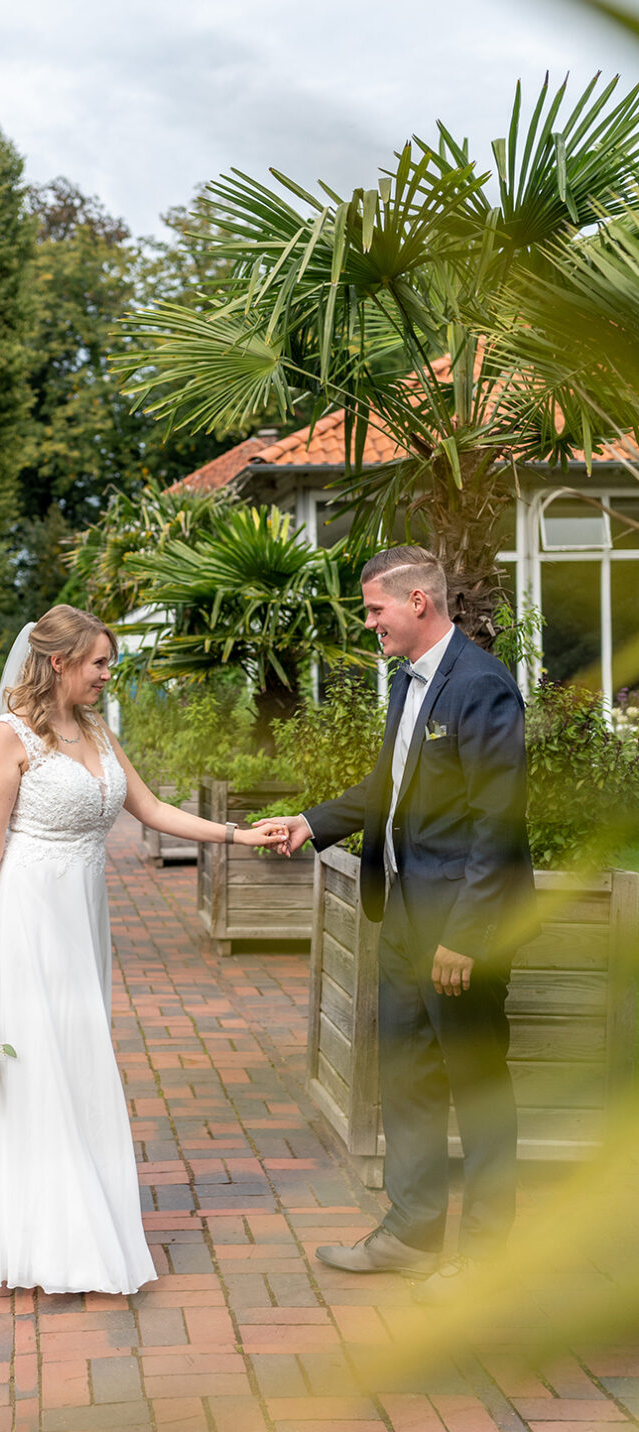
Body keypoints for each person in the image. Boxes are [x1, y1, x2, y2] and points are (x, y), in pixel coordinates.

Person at [0, 604, 287, 1296]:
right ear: (60, 661)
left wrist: (236, 836)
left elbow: (152, 810)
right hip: (29, 920)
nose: (109, 673)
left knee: (80, 1060)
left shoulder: (96, 729)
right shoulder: (9, 740)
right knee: (43, 1071)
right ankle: (54, 1243)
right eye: (99, 662)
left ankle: (83, 1223)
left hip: (83, 918)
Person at [261, 546, 536, 1305]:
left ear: (420, 602)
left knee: (477, 1090)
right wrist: (311, 823)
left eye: (376, 609)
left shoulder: (483, 687)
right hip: (406, 923)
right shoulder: (407, 682)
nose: (369, 622)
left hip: (461, 933)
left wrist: (468, 939)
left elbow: (498, 823)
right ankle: (413, 1238)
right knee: (409, 1079)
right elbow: (389, 787)